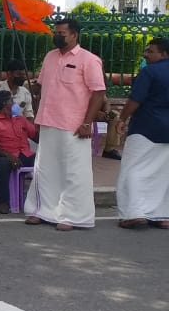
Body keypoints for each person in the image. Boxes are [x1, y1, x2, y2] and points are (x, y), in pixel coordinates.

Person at [25, 18, 105, 231]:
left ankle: (71, 216)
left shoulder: (89, 60)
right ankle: (41, 211)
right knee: (45, 168)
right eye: (55, 32)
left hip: (75, 124)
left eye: (61, 32)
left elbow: (98, 93)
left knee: (74, 172)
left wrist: (87, 122)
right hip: (48, 120)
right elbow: (42, 86)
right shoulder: (50, 57)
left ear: (74, 35)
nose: (56, 35)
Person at [114, 38, 169, 229]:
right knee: (163, 173)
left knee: (134, 169)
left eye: (151, 51)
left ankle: (134, 212)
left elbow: (135, 100)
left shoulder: (149, 72)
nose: (146, 54)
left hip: (146, 127)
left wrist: (122, 118)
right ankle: (162, 215)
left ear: (164, 54)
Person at [0, 90, 38, 215]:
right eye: (11, 101)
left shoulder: (21, 119)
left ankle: (44, 201)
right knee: (2, 165)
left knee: (44, 161)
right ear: (4, 104)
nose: (14, 103)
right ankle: (3, 202)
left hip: (25, 154)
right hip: (5, 155)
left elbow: (36, 137)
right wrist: (9, 156)